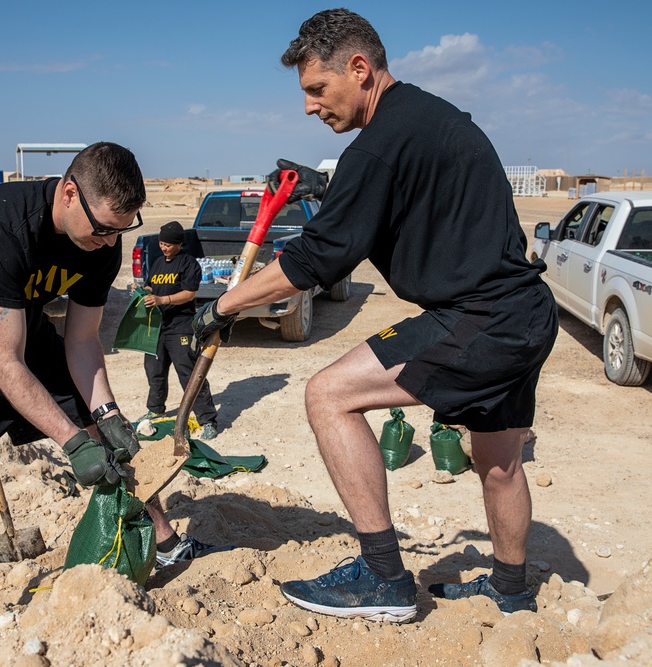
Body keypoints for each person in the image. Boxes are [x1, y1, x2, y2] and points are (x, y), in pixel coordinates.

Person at [192, 9, 557, 622]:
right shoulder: (424, 117)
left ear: (359, 69)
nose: (309, 107)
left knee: (328, 395)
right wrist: (327, 191)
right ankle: (512, 590)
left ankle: (383, 576)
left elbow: (316, 259)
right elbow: (400, 207)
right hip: (522, 311)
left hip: (480, 317)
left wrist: (223, 305)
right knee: (499, 460)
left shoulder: (381, 143)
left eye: (316, 89)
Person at [0, 143, 227, 601]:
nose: (110, 241)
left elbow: (81, 341)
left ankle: (167, 546)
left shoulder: (102, 242)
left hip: (27, 340)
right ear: (69, 193)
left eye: (123, 229)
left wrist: (108, 413)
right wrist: (72, 443)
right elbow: (5, 362)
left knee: (117, 445)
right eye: (102, 228)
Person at [138, 221, 220, 440]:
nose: (164, 248)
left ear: (179, 244)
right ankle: (155, 409)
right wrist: (144, 292)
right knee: (154, 369)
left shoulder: (188, 263)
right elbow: (150, 286)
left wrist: (162, 299)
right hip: (157, 326)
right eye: (162, 243)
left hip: (180, 326)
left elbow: (190, 293)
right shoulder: (156, 263)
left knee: (189, 372)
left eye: (168, 244)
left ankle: (208, 419)